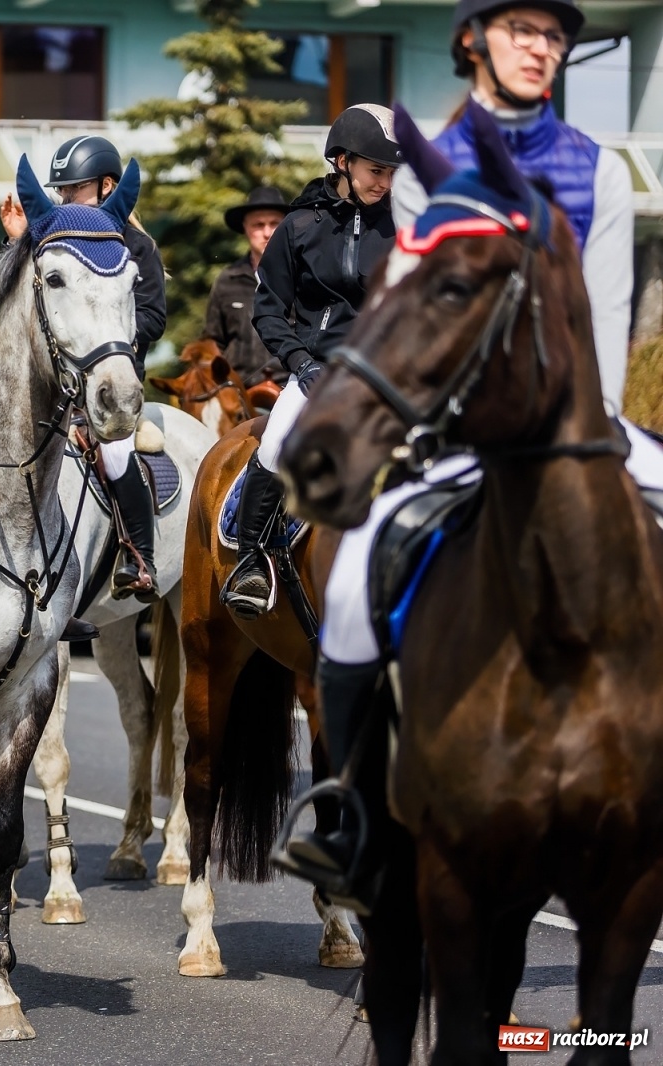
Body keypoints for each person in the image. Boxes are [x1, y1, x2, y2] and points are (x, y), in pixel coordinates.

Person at [279, 0, 663, 897]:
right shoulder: (426, 166)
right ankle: (349, 814)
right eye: (521, 30)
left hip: (576, 425)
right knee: (347, 585)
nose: (542, 48)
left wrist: (584, 432)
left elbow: (603, 318)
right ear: (472, 41)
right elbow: (413, 304)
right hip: (457, 431)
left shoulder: (599, 171)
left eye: (554, 36)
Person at [223, 104, 402, 619]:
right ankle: (252, 561)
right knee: (277, 444)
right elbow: (269, 309)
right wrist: (301, 363)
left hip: (387, 376)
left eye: (391, 173)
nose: (385, 183)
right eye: (376, 170)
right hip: (316, 373)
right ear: (343, 162)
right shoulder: (301, 226)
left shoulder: (403, 226)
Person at [0, 134, 168, 603]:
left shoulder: (136, 246)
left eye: (73, 189)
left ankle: (140, 556)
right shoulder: (56, 238)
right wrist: (17, 242)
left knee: (113, 453)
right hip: (59, 378)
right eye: (61, 191)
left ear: (108, 186)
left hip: (109, 380)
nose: (64, 199)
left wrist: (107, 348)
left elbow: (153, 316)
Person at [204, 187, 290, 387]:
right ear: (245, 228)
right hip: (238, 393)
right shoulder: (227, 280)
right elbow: (212, 343)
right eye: (258, 225)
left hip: (291, 387)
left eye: (275, 223)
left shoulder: (305, 277)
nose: (267, 233)